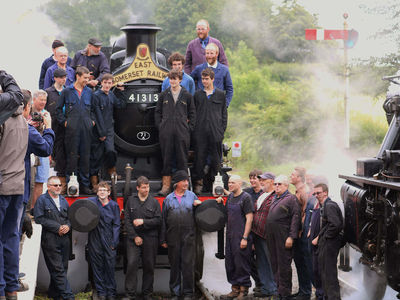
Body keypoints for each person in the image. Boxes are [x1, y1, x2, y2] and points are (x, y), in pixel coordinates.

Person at [0, 70, 26, 300]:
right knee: (10, 238)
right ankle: (11, 288)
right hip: (18, 185)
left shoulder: (3, 119)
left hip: (1, 186)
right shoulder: (24, 120)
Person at [160, 170, 202, 300]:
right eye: (183, 181)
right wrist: (163, 239)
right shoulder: (168, 199)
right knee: (175, 266)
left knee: (188, 265)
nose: (186, 183)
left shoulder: (192, 196)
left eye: (186, 180)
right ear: (177, 183)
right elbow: (163, 220)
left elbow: (201, 216)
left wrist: (200, 205)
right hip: (173, 237)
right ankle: (175, 293)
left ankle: (188, 293)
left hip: (188, 236)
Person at [155, 70, 196, 196]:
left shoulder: (187, 95)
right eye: (171, 79)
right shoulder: (163, 95)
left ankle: (183, 186)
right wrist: (160, 127)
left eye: (175, 79)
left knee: (182, 159)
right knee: (166, 158)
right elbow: (157, 112)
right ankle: (166, 186)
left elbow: (193, 113)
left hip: (182, 132)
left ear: (180, 80)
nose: (173, 81)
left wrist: (188, 128)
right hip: (166, 132)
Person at [33, 176, 74, 300]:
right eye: (55, 185)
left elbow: (70, 217)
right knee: (57, 269)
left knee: (63, 267)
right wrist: (57, 227)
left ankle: (54, 295)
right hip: (50, 239)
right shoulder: (42, 200)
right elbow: (39, 218)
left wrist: (67, 226)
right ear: (48, 186)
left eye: (60, 185)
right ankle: (68, 297)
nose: (58, 187)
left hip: (65, 239)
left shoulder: (63, 200)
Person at [56, 66, 95, 194]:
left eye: (88, 78)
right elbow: (58, 109)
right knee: (72, 157)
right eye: (85, 78)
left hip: (86, 129)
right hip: (72, 130)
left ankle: (84, 185)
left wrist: (92, 121)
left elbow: (93, 110)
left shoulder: (89, 92)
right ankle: (71, 184)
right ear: (77, 76)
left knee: (85, 156)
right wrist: (65, 122)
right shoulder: (67, 91)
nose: (87, 80)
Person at [124, 176, 161, 300]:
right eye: (144, 187)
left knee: (149, 266)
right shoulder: (130, 201)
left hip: (150, 238)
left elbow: (158, 220)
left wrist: (143, 221)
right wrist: (134, 236)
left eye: (148, 187)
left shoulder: (154, 202)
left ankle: (147, 294)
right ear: (138, 188)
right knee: (131, 265)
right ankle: (130, 294)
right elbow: (127, 220)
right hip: (133, 238)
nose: (146, 189)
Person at [192, 68, 227, 194]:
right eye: (203, 79)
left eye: (206, 79)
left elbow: (224, 115)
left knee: (216, 160)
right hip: (200, 133)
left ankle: (215, 183)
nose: (204, 81)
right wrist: (195, 131)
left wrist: (221, 131)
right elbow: (193, 114)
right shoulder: (197, 95)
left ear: (212, 79)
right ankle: (199, 184)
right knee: (199, 158)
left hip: (215, 132)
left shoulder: (220, 94)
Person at [266, 175, 300, 300]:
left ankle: (285, 293)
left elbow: (295, 219)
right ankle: (278, 290)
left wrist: (291, 237)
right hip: (272, 235)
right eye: (275, 184)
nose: (276, 186)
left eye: (279, 184)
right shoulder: (275, 197)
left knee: (284, 265)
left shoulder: (291, 199)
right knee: (274, 263)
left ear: (286, 186)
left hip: (283, 235)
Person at [90, 74, 125, 190]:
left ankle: (112, 170)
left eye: (110, 83)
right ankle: (94, 182)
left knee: (111, 151)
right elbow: (96, 115)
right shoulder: (96, 96)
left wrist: (120, 91)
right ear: (102, 83)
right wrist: (101, 133)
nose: (107, 85)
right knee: (96, 156)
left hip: (109, 128)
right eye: (106, 83)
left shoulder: (111, 95)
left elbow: (120, 105)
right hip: (98, 130)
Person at [220, 175, 254, 300]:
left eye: (233, 182)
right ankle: (234, 289)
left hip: (241, 236)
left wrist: (245, 238)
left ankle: (243, 291)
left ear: (240, 184)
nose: (230, 184)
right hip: (230, 235)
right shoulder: (230, 197)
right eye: (229, 183)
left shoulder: (246, 198)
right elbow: (229, 194)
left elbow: (249, 219)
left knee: (241, 264)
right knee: (230, 263)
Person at [87, 181, 120, 300]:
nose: (102, 192)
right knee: (97, 266)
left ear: (109, 192)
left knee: (110, 267)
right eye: (100, 190)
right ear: (97, 192)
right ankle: (101, 292)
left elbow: (116, 225)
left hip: (108, 237)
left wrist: (114, 242)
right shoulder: (91, 202)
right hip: (95, 237)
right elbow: (80, 206)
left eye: (104, 190)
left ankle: (111, 293)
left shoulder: (114, 206)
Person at [314, 183, 343, 300]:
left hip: (330, 244)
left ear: (325, 192)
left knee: (329, 276)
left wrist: (325, 238)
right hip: (327, 243)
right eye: (314, 193)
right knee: (325, 274)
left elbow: (335, 225)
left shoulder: (329, 205)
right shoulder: (324, 205)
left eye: (319, 193)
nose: (316, 195)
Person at [251, 172, 277, 298]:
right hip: (257, 233)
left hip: (268, 235)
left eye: (264, 180)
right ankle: (266, 288)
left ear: (272, 181)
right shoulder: (262, 194)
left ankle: (273, 289)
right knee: (261, 262)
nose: (261, 182)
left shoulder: (275, 196)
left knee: (269, 261)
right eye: (260, 180)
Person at [290, 167, 312, 300]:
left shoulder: (304, 192)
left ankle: (306, 292)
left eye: (293, 175)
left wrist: (300, 231)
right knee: (298, 262)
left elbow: (305, 213)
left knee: (304, 262)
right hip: (297, 232)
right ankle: (302, 290)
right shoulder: (297, 190)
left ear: (299, 178)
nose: (290, 176)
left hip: (302, 233)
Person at [45, 68, 68, 193]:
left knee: (63, 155)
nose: (63, 79)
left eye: (64, 77)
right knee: (55, 154)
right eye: (60, 77)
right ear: (55, 78)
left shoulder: (68, 90)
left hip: (65, 127)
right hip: (53, 127)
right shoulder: (48, 92)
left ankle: (62, 183)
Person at [30, 90, 53, 208]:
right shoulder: (28, 112)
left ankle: (35, 209)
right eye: (41, 100)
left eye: (45, 100)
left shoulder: (46, 114)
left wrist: (49, 153)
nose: (43, 102)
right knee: (30, 181)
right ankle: (27, 210)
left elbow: (50, 133)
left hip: (43, 150)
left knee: (41, 181)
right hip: (32, 150)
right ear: (34, 100)